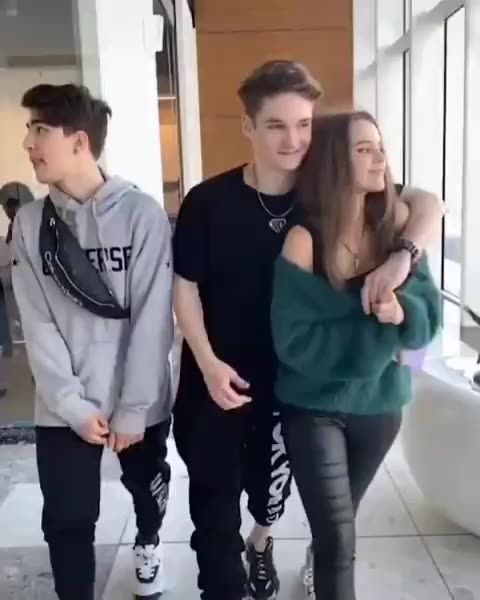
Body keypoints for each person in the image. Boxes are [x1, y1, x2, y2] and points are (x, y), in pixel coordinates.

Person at [172, 60, 443, 600]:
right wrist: (206, 362)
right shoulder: (209, 200)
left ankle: (264, 540)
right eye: (276, 125)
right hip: (221, 377)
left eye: (304, 125)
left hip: (295, 382)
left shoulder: (329, 189)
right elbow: (185, 289)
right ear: (249, 126)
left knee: (274, 496)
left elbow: (428, 204)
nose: (293, 139)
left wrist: (400, 261)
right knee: (214, 510)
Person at [11, 84, 174, 600]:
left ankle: (148, 540)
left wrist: (134, 407)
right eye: (29, 129)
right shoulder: (30, 225)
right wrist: (72, 406)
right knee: (67, 521)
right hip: (62, 407)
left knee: (147, 492)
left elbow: (154, 318)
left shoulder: (142, 215)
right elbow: (37, 323)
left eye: (40, 130)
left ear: (79, 141)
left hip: (137, 402)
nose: (28, 143)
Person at [271, 111, 441, 600]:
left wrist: (401, 312)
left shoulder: (398, 231)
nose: (380, 158)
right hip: (313, 408)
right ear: (333, 161)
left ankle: (318, 557)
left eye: (380, 146)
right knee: (338, 538)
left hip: (381, 409)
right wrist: (382, 339)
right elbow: (295, 341)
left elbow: (428, 320)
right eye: (363, 149)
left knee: (341, 520)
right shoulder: (305, 240)